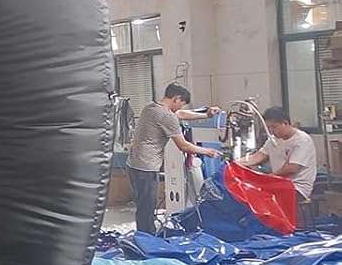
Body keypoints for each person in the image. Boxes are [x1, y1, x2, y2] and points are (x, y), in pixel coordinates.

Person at [125, 83, 221, 236]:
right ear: (176, 98)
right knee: (147, 208)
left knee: (142, 206)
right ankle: (147, 240)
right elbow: (183, 145)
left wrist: (206, 115)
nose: (180, 107)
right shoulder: (167, 116)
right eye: (181, 103)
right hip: (146, 167)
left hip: (133, 164)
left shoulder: (151, 107)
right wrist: (207, 151)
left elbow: (180, 114)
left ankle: (144, 236)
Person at [237, 106, 317, 202]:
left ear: (285, 123)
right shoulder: (273, 140)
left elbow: (291, 169)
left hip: (296, 188)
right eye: (269, 128)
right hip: (278, 183)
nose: (272, 131)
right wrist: (235, 163)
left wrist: (266, 179)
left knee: (256, 194)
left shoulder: (302, 140)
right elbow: (258, 156)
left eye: (274, 127)